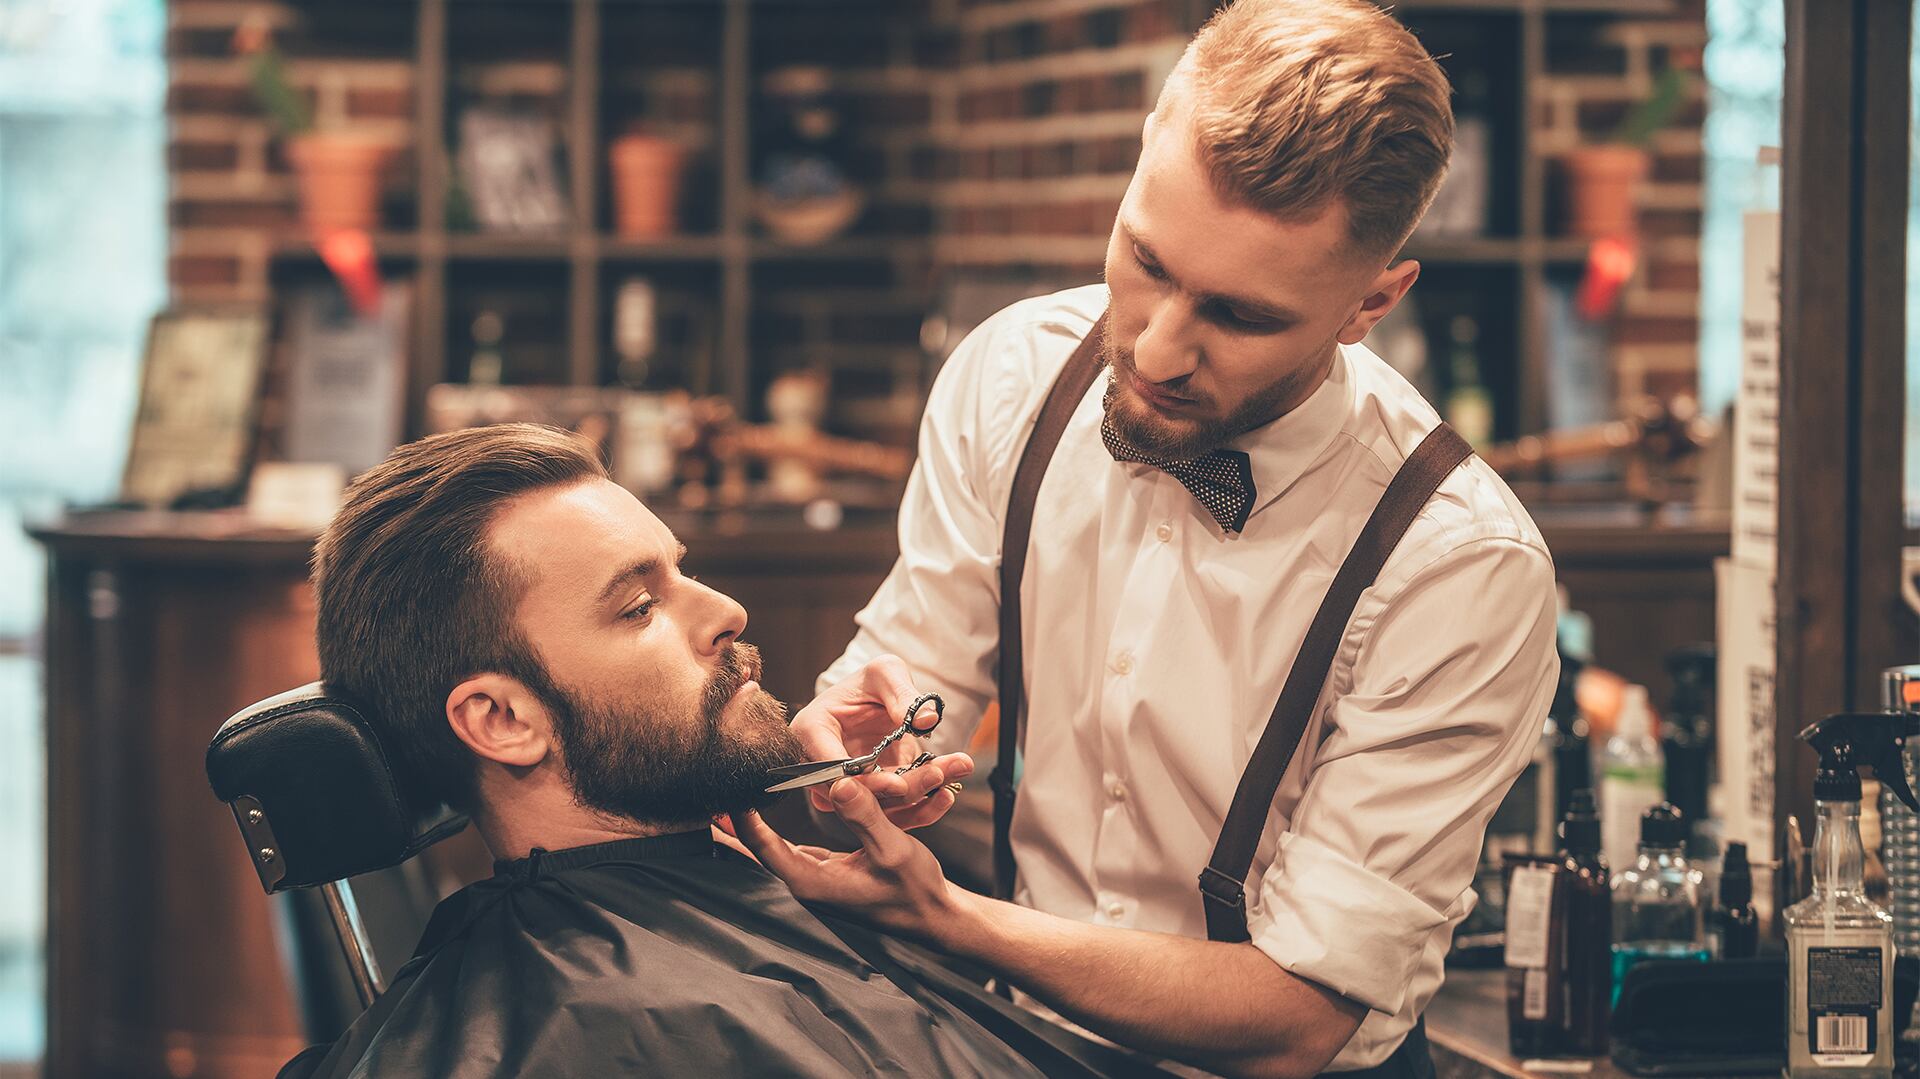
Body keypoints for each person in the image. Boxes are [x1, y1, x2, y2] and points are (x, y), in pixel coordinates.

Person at [737, 3, 1561, 1077]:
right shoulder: (1014, 380)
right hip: (1017, 1039)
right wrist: (856, 747)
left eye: (1242, 314)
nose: (1159, 348)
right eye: (1147, 259)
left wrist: (954, 920)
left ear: (1373, 300)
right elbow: (914, 665)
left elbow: (1300, 1014)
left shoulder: (1459, 566)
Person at [280, 423, 1172, 1079]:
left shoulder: (738, 900)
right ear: (504, 719)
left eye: (681, 570)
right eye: (638, 607)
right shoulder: (603, 1026)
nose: (724, 610)